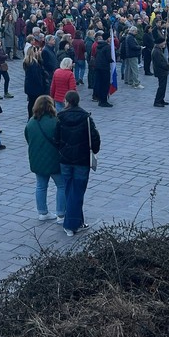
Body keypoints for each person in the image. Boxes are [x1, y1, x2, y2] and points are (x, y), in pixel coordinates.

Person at [54, 90, 100, 237]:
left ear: (67, 102)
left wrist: (61, 149)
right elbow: (95, 138)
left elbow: (56, 138)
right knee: (78, 191)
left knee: (70, 190)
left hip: (66, 160)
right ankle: (71, 224)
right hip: (82, 160)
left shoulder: (60, 117)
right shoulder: (86, 118)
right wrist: (94, 150)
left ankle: (78, 222)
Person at [25, 94, 66, 222]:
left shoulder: (31, 122)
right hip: (54, 159)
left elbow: (28, 138)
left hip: (37, 159)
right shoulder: (56, 121)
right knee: (61, 186)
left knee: (41, 186)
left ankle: (42, 212)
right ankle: (61, 215)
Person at [23, 46, 48, 118]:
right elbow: (37, 77)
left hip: (30, 88)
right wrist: (42, 87)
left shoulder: (29, 62)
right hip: (35, 88)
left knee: (31, 102)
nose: (38, 52)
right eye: (37, 51)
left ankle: (31, 116)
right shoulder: (33, 64)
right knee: (34, 103)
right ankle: (33, 116)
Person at [151, 38, 169, 107]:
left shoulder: (158, 50)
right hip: (160, 71)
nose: (165, 44)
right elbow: (159, 63)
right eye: (164, 43)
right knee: (161, 87)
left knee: (163, 86)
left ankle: (161, 99)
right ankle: (157, 101)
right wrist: (167, 66)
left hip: (163, 71)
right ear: (160, 43)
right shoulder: (156, 51)